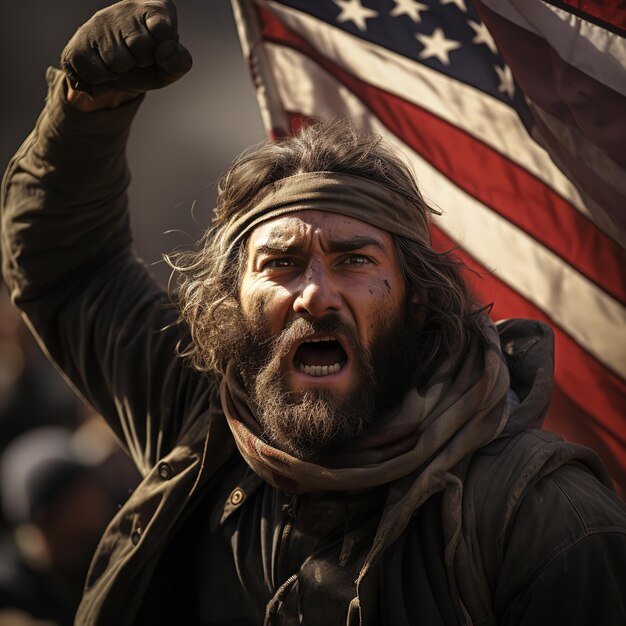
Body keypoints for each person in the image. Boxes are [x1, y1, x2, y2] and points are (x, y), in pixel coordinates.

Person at [1, 1, 624, 624]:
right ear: (231, 302)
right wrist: (85, 111)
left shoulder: (545, 522)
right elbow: (67, 264)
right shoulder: (203, 428)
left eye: (354, 260)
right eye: (281, 263)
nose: (315, 295)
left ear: (420, 298)